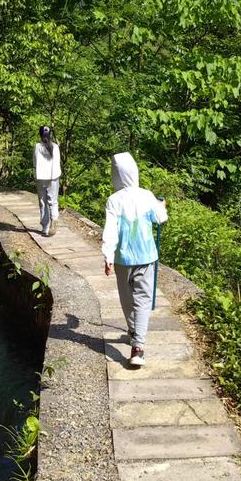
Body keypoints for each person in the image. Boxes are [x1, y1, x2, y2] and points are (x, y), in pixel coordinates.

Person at [102, 152, 167, 366]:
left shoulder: (114, 200)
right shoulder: (147, 195)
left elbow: (110, 230)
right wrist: (162, 205)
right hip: (147, 257)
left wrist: (108, 256)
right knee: (143, 300)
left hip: (122, 260)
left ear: (116, 175)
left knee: (127, 299)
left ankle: (135, 336)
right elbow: (160, 218)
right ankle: (137, 345)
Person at [34, 125, 61, 236]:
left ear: (40, 134)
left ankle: (45, 228)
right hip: (53, 177)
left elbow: (35, 162)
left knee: (42, 202)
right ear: (50, 135)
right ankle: (54, 219)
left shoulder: (37, 146)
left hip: (40, 177)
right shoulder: (55, 146)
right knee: (53, 201)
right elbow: (57, 162)